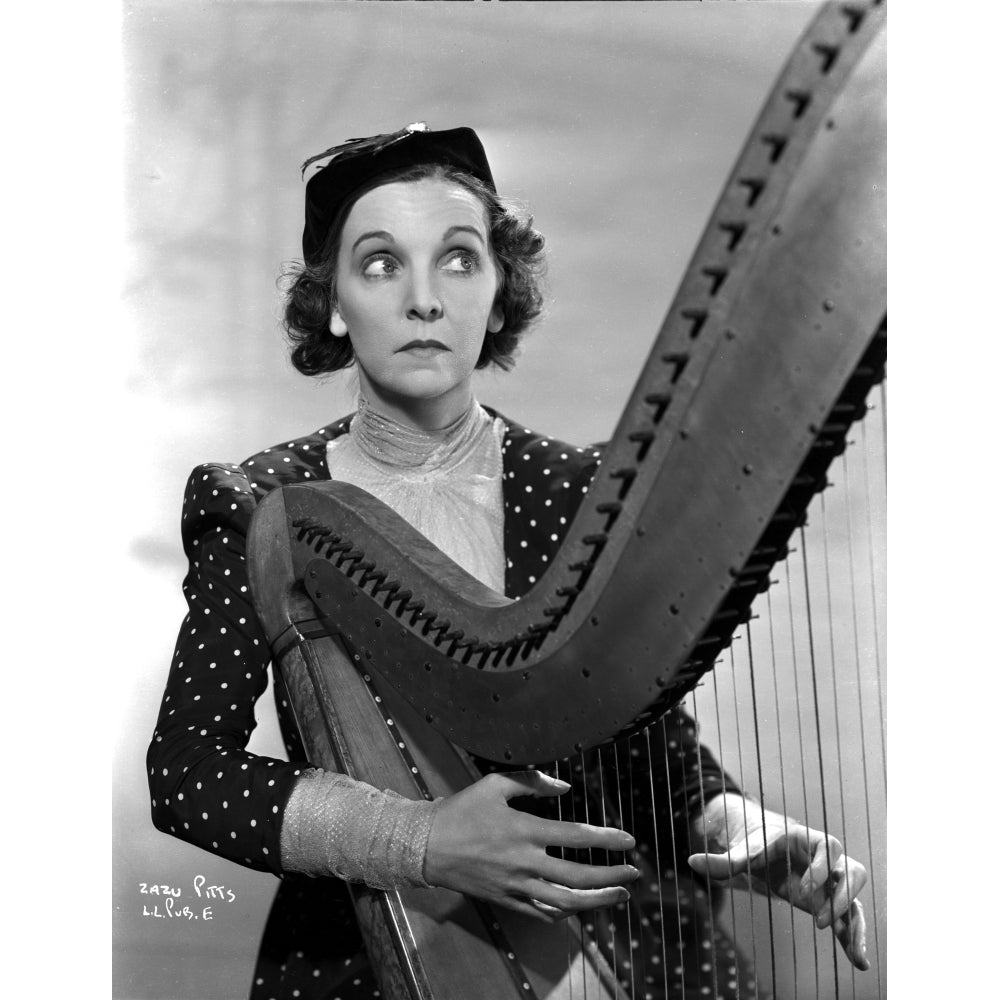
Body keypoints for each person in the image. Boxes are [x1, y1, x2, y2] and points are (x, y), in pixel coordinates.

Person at [148, 123, 869, 999]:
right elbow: (188, 774)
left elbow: (649, 758)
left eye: (458, 260)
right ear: (333, 301)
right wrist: (422, 842)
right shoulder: (260, 504)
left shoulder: (580, 490)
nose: (424, 299)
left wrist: (742, 829)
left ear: (497, 293)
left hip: (611, 949)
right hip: (368, 956)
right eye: (380, 264)